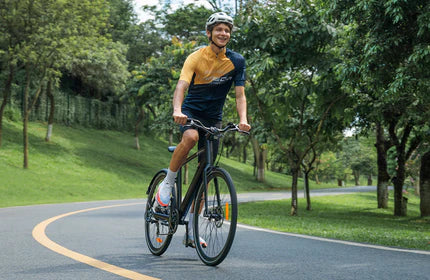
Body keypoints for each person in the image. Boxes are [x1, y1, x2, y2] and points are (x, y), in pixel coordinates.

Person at [155, 12, 251, 248]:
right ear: (209, 33)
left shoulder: (236, 61)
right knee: (190, 136)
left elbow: (240, 93)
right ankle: (167, 183)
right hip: (191, 112)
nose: (223, 33)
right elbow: (182, 85)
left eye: (227, 30)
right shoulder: (196, 57)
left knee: (205, 173)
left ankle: (191, 227)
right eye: (218, 29)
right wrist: (177, 110)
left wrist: (243, 119)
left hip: (213, 118)